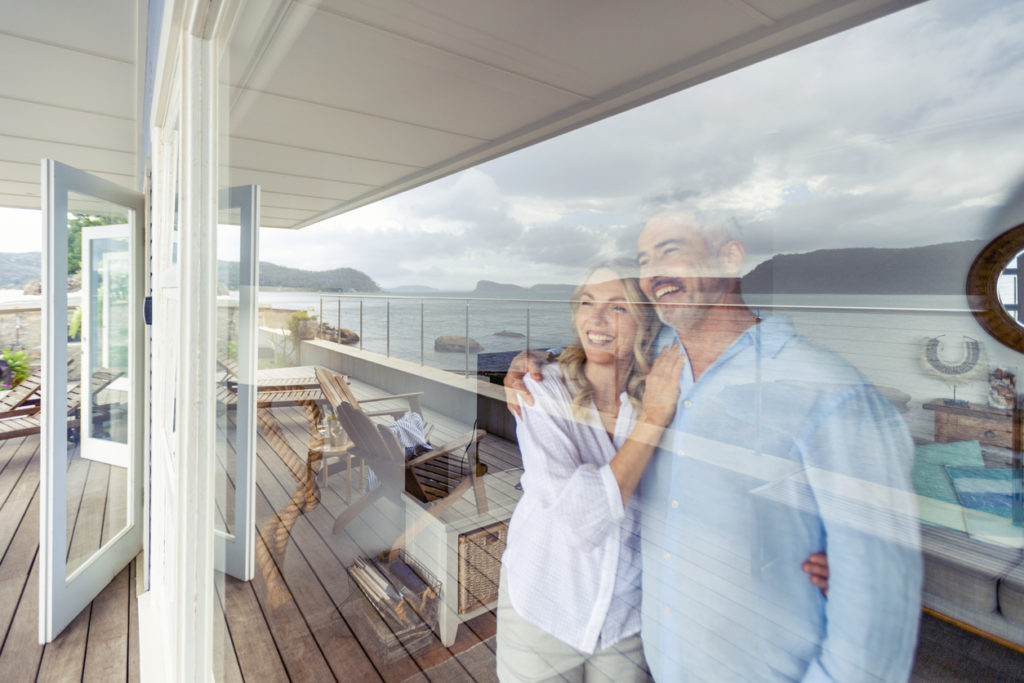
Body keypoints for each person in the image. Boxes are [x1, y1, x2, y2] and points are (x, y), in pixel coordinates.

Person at [506, 211, 922, 681]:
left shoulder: (825, 390)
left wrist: (840, 564)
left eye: (671, 250)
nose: (654, 272)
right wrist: (531, 360)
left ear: (730, 257)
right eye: (646, 259)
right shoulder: (660, 376)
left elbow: (878, 594)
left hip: (666, 638)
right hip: (593, 625)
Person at [497, 261, 686, 682]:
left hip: (628, 616)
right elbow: (582, 520)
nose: (596, 319)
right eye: (587, 302)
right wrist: (654, 420)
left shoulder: (663, 390)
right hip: (545, 609)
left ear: (647, 327)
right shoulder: (539, 388)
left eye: (618, 308)